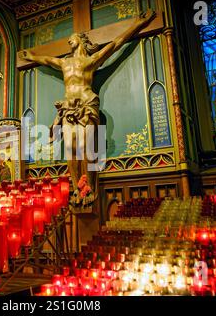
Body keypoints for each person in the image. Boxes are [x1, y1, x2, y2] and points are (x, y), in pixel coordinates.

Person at [20, 10, 156, 194]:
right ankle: (77, 187)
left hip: (87, 105)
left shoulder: (92, 60)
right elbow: (46, 59)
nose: (69, 40)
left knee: (87, 147)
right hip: (67, 109)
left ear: (82, 41)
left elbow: (116, 44)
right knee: (70, 148)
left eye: (72, 37)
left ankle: (89, 185)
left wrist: (138, 24)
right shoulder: (64, 63)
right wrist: (31, 57)